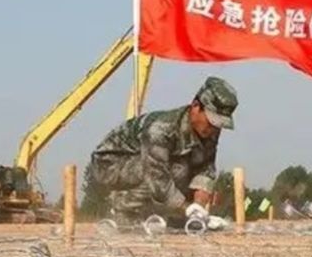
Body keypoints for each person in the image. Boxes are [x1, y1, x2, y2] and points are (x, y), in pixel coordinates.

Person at [89, 77, 237, 226]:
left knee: (181, 172)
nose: (214, 129)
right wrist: (187, 208)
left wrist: (198, 209)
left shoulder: (210, 131)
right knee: (177, 170)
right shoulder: (160, 129)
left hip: (145, 164)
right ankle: (121, 207)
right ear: (196, 106)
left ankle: (155, 214)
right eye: (211, 121)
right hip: (110, 165)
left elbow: (205, 169)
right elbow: (157, 177)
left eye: (219, 124)